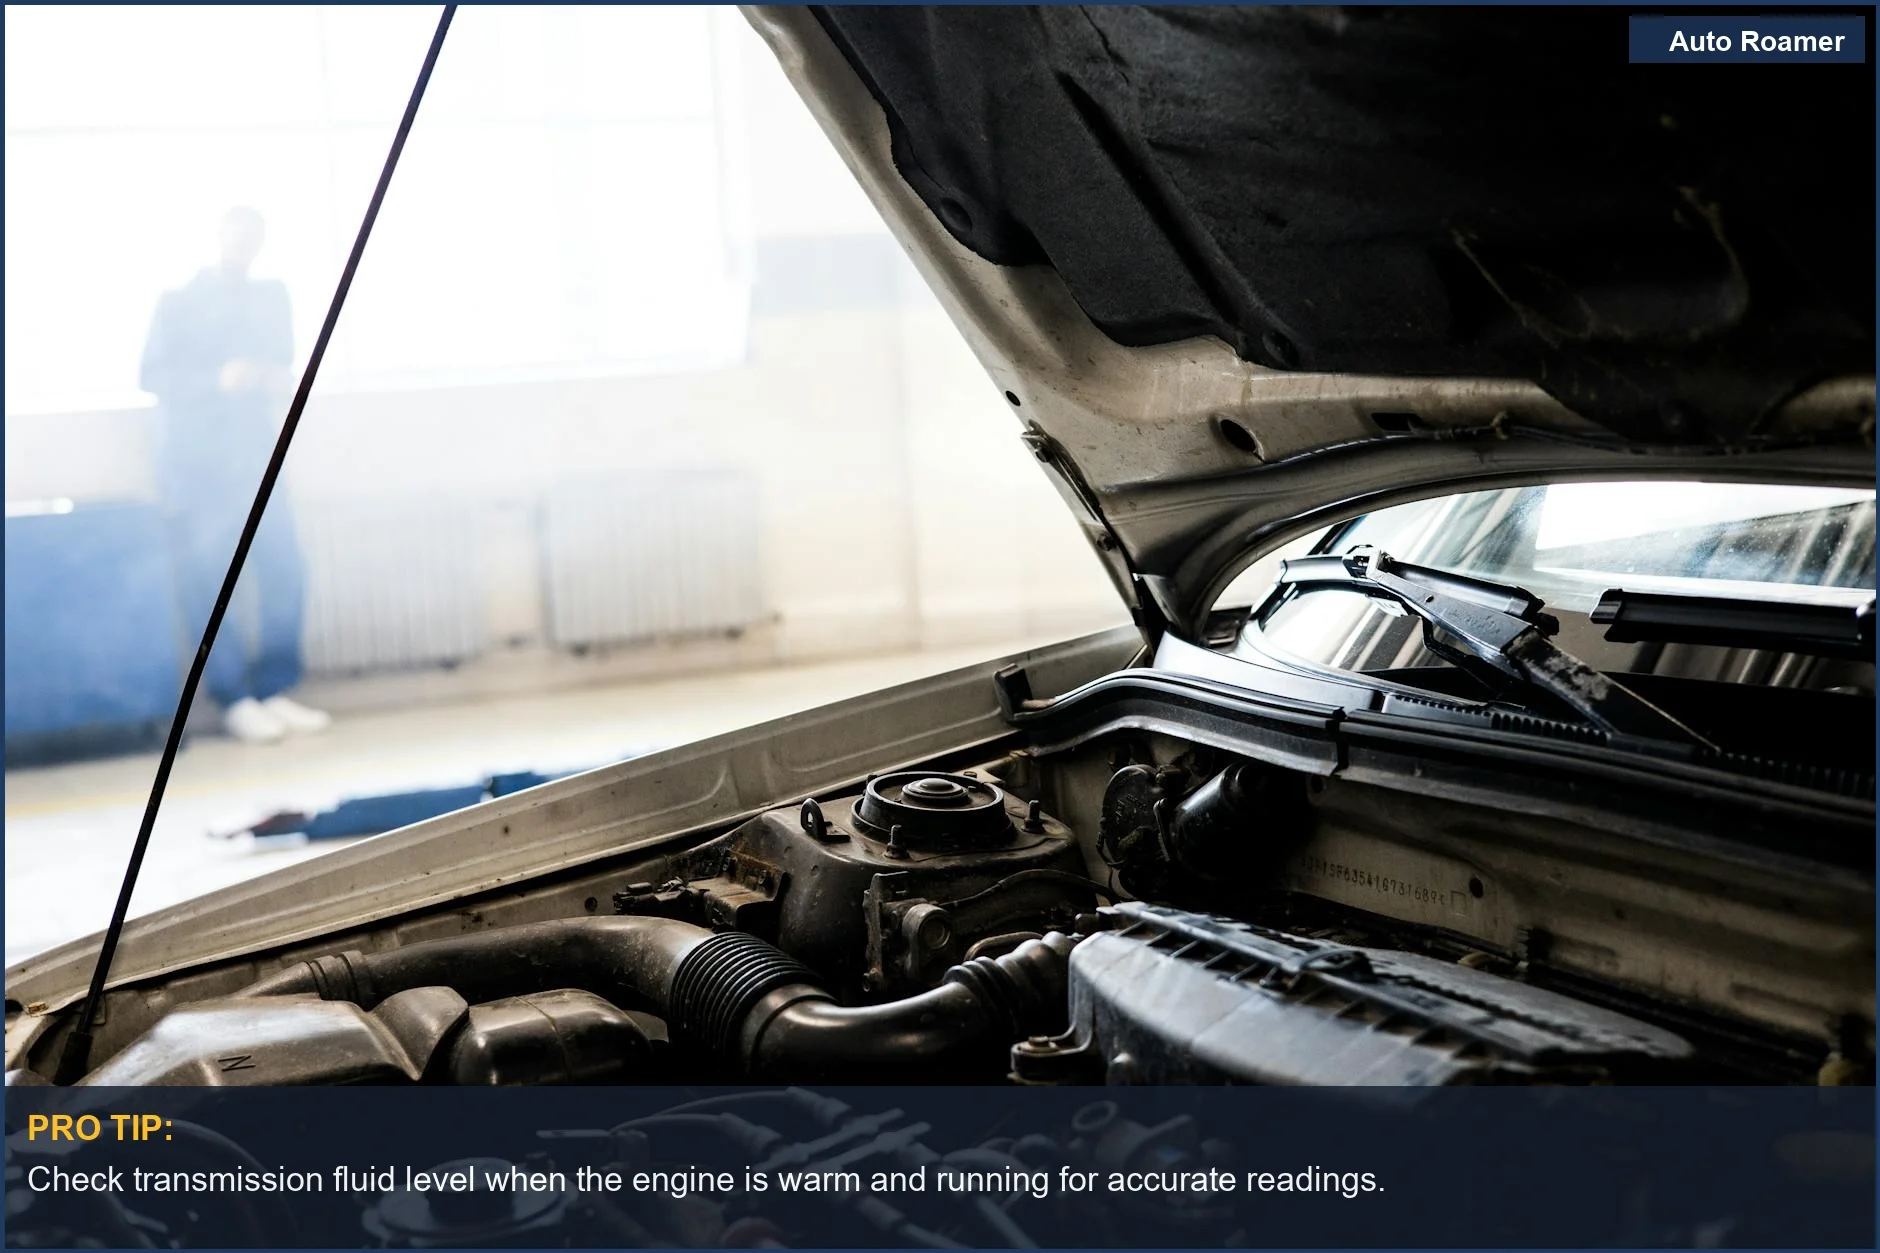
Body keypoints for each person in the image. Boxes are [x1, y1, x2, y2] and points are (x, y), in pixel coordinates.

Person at [139, 207, 330, 744]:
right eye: (235, 232)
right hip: (198, 465)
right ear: (217, 235)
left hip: (257, 457)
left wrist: (271, 378)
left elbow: (285, 360)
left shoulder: (272, 297)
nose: (244, 243)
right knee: (209, 581)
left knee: (285, 569)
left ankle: (273, 687)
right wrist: (215, 379)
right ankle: (234, 697)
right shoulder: (177, 302)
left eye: (255, 235)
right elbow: (151, 375)